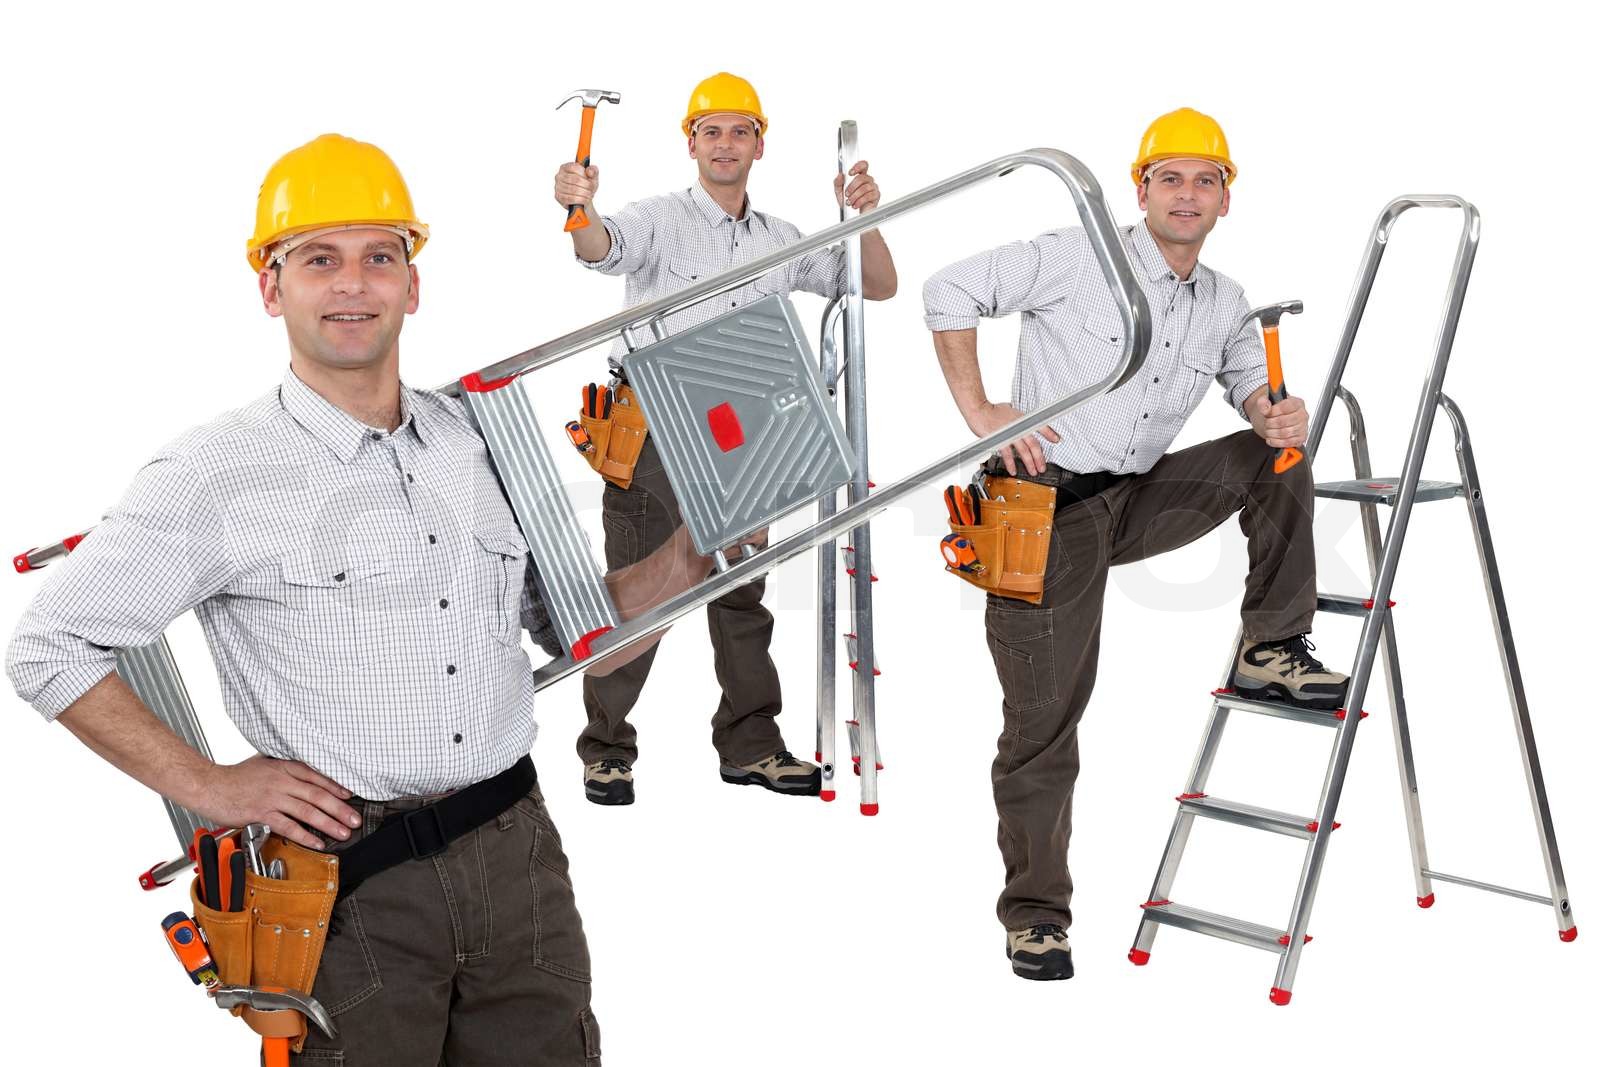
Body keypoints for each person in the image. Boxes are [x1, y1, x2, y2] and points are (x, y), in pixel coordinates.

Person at [6, 132, 735, 1063]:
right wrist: (210, 784)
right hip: (347, 892)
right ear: (271, 288)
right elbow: (48, 647)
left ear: (412, 284)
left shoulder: (480, 439)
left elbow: (581, 631)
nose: (353, 284)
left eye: (379, 258)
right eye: (320, 259)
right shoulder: (216, 471)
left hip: (518, 861)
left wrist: (695, 549)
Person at [920, 108, 1349, 982]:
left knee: (1279, 456)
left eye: (1206, 181)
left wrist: (1275, 410)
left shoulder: (1225, 300)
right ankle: (1037, 915)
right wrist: (983, 413)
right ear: (1139, 187)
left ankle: (1272, 645)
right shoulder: (1079, 256)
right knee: (1044, 723)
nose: (1188, 195)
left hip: (1140, 497)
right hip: (1044, 511)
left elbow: (1249, 392)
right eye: (1171, 179)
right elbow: (945, 291)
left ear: (1228, 197)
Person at [552, 72, 898, 806]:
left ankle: (751, 745)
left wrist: (865, 216)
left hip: (742, 432)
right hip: (652, 421)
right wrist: (579, 205)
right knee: (643, 586)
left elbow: (874, 285)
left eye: (738, 131)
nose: (724, 143)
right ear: (692, 143)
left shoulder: (779, 239)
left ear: (759, 146)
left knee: (742, 588)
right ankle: (606, 748)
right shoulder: (658, 219)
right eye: (711, 131)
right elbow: (600, 248)